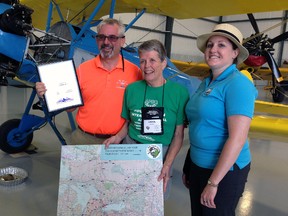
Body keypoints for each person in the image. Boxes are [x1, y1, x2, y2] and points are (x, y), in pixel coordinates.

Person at [183, 23, 258, 215]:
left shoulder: (238, 84)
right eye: (210, 45)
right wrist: (189, 165)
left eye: (221, 45)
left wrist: (213, 181)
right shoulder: (206, 82)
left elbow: (237, 139)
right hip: (198, 164)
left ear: (235, 53)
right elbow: (200, 124)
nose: (213, 49)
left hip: (224, 172)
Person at [103, 39, 190, 199]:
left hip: (160, 153)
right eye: (142, 61)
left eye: (152, 60)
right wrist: (116, 137)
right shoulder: (131, 89)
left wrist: (167, 164)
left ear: (164, 63)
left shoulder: (179, 93)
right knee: (125, 198)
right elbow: (128, 124)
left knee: (153, 201)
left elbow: (178, 135)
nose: (146, 66)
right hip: (131, 148)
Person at [35, 18, 142, 144]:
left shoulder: (135, 72)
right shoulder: (82, 69)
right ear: (97, 40)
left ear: (122, 40)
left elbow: (137, 112)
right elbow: (70, 108)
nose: (106, 42)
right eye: (101, 37)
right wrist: (49, 92)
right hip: (84, 139)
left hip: (119, 141)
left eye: (112, 37)